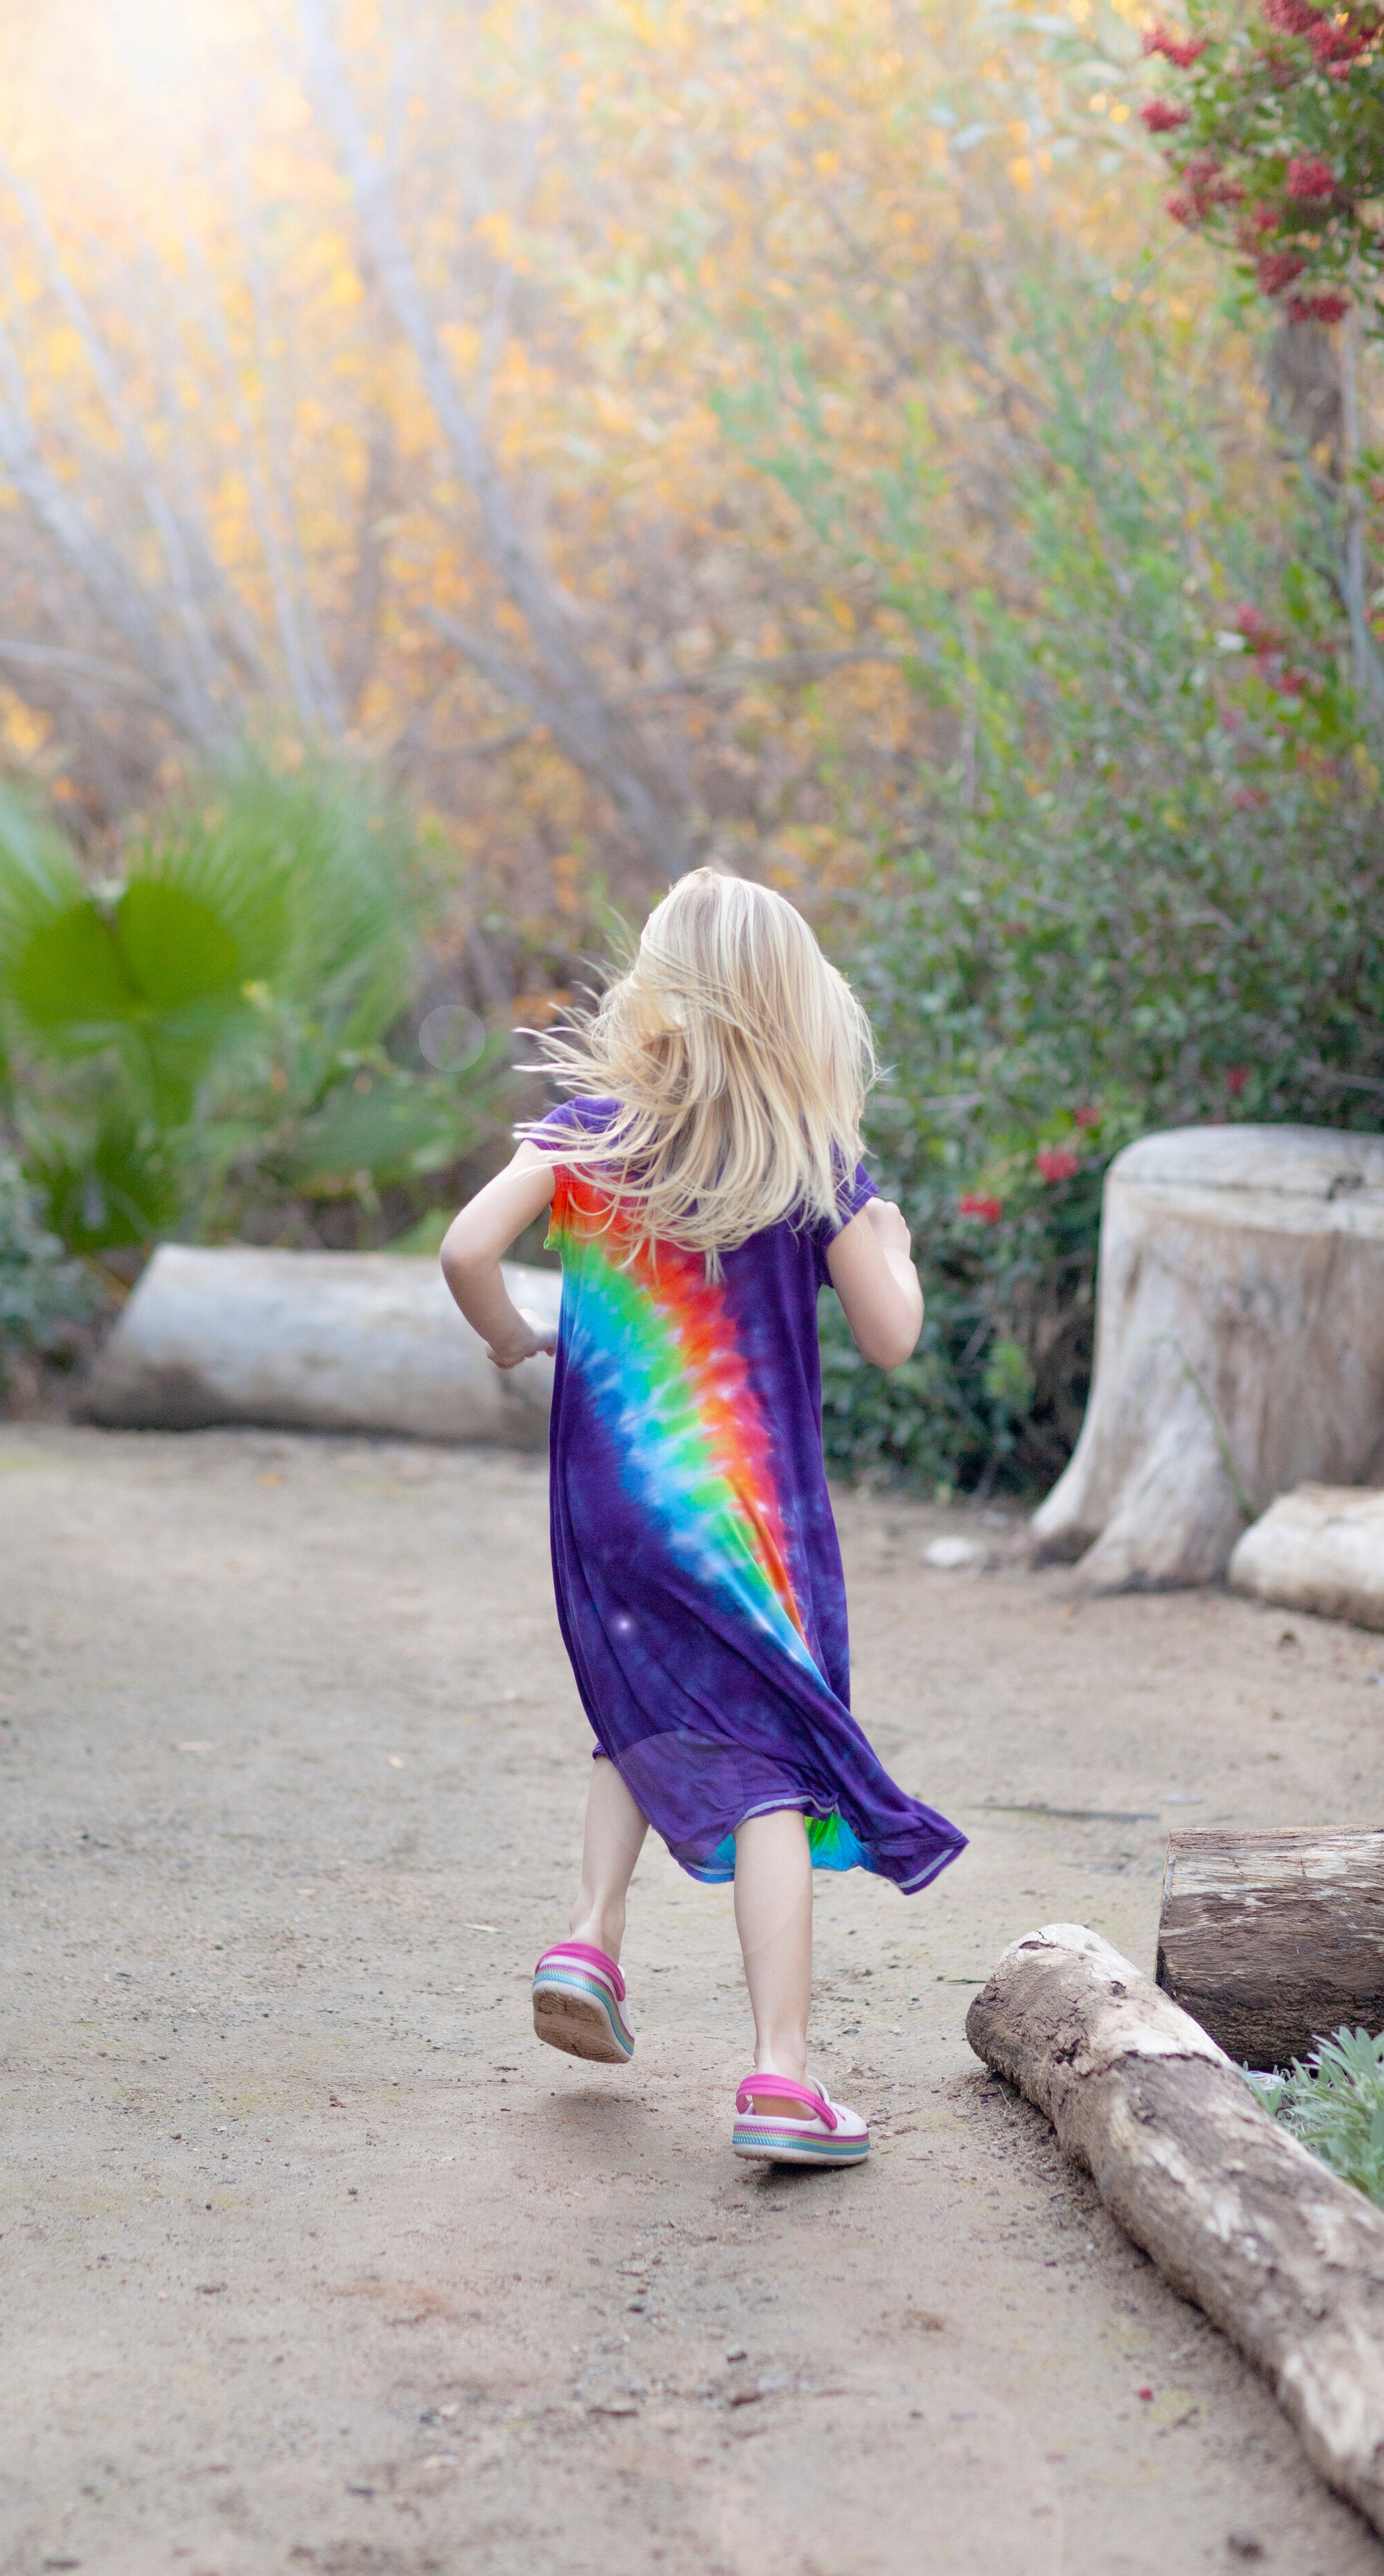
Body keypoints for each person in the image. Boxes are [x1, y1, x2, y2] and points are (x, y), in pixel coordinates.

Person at [439, 868, 966, 2168]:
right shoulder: (809, 1158)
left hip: (611, 1507)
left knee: (643, 1710)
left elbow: (464, 1250)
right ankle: (782, 2074)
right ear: (796, 1004)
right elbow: (893, 1338)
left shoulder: (590, 1129)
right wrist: (888, 1239)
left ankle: (590, 1935)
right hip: (748, 1526)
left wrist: (519, 1339)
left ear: (659, 994)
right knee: (772, 1769)